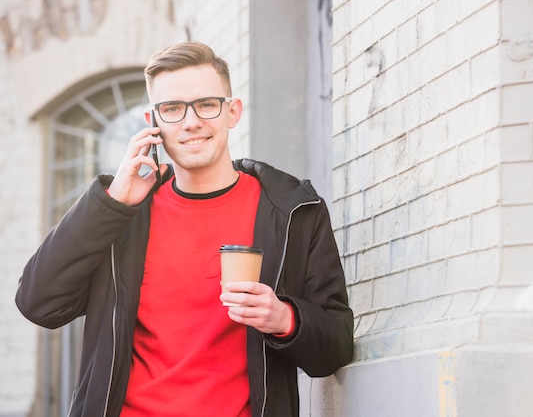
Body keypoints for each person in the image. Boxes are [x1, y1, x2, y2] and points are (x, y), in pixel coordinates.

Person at [15, 41, 354, 417]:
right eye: (172, 109)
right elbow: (39, 303)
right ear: (153, 123)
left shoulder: (292, 210)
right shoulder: (123, 216)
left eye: (206, 104)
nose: (191, 122)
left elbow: (335, 347)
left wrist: (285, 319)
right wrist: (111, 203)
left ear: (232, 112)